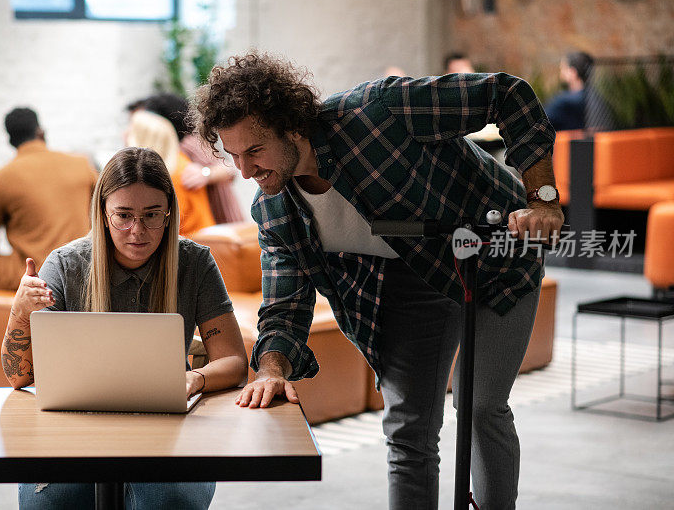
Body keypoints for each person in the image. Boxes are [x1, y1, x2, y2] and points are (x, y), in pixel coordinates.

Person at [191, 52, 564, 509]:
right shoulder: (275, 210)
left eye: (254, 151)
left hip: (493, 254)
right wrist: (270, 368)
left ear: (292, 127)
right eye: (233, 157)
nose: (246, 172)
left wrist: (542, 198)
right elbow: (286, 301)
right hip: (407, 282)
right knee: (408, 430)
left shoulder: (379, 110)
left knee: (478, 407)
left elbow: (508, 95)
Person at [1, 147, 248, 509]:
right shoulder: (66, 265)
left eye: (151, 215)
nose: (137, 231)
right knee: (50, 502)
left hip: (168, 423)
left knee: (167, 499)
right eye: (123, 216)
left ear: (169, 214)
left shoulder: (194, 262)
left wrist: (195, 379)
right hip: (76, 424)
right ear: (103, 213)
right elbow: (18, 378)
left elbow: (234, 361)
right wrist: (19, 313)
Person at [0, 107, 96, 292]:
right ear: (40, 132)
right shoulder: (81, 165)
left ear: (10, 140)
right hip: (83, 269)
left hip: (34, 274)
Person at [128, 93, 243, 224]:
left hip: (223, 223)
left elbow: (229, 169)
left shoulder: (188, 144)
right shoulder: (175, 151)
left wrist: (204, 174)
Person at [126, 110, 215, 236]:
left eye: (130, 131)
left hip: (187, 247)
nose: (123, 134)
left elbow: (163, 225)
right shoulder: (180, 162)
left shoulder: (166, 176)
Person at [545, 51, 594, 131]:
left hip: (565, 142)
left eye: (563, 68)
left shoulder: (564, 101)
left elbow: (542, 121)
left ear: (573, 72)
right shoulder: (595, 99)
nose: (561, 72)